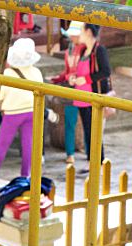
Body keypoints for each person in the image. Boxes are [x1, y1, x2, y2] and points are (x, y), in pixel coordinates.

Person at [0, 37, 51, 177]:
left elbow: (1, 96)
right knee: (28, 145)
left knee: (2, 145)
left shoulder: (8, 74)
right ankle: (25, 176)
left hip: (12, 113)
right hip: (31, 111)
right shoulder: (36, 73)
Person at [66, 23, 110, 169]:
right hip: (81, 96)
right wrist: (73, 77)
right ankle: (91, 161)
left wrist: (86, 79)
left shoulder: (99, 50)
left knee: (94, 131)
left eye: (81, 31)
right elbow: (80, 71)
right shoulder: (84, 50)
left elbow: (105, 72)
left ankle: (99, 162)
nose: (79, 34)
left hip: (93, 97)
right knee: (87, 131)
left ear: (89, 32)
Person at [50, 21, 84, 166]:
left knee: (88, 123)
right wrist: (60, 78)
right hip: (72, 91)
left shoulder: (87, 51)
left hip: (85, 90)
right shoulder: (69, 50)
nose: (71, 37)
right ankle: (70, 153)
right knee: (70, 123)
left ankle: (91, 152)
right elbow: (67, 71)